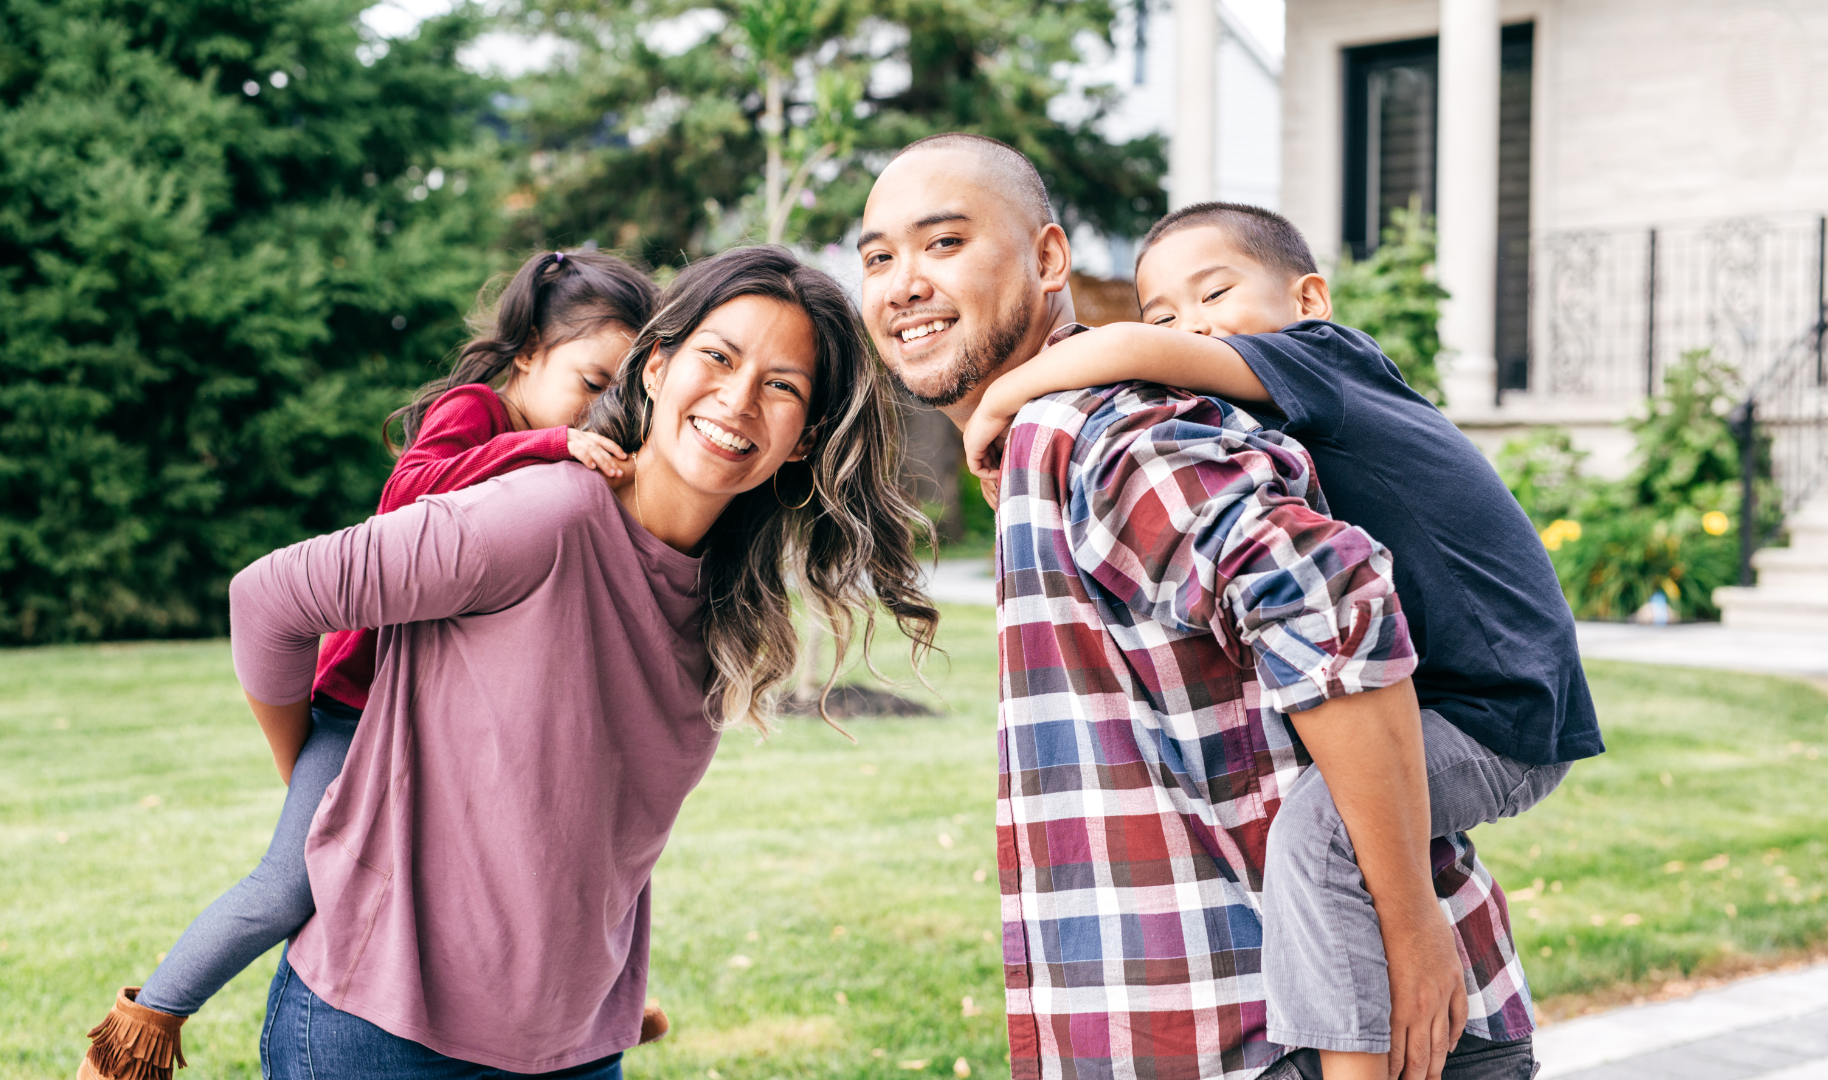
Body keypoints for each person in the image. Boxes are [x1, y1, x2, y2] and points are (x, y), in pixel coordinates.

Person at [857, 133, 1534, 1080]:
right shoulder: (1049, 437)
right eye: (878, 256)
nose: (902, 282)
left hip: (1309, 1039)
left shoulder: (1088, 425)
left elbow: (1328, 603)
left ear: (1048, 259)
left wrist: (1413, 928)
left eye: (943, 243)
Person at [244, 245, 933, 1078]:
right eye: (717, 355)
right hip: (381, 1033)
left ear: (803, 440)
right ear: (653, 369)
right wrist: (319, 794)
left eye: (782, 385)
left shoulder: (732, 605)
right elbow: (270, 599)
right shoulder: (544, 516)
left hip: (573, 1046)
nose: (740, 398)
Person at [77, 250, 662, 1080]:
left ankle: (597, 999)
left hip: (454, 710)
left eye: (623, 395)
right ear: (530, 348)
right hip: (366, 706)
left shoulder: (574, 454)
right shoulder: (474, 411)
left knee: (558, 844)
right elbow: (411, 494)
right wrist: (548, 445)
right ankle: (140, 1029)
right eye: (593, 380)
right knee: (292, 881)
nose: (607, 410)